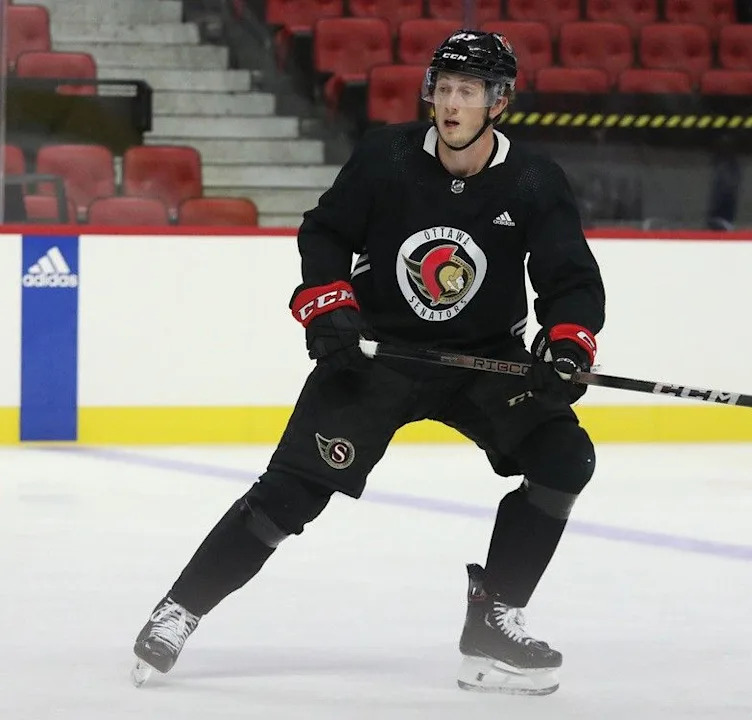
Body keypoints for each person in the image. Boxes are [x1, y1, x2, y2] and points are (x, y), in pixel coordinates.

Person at [131, 29, 605, 696]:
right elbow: (325, 232)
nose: (450, 103)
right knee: (289, 495)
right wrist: (330, 310)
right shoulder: (386, 157)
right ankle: (179, 608)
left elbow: (571, 279)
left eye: (468, 91)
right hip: (379, 353)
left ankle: (495, 619)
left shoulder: (532, 179)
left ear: (498, 103)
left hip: (485, 362)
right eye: (444, 88)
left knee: (564, 461)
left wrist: (566, 343)